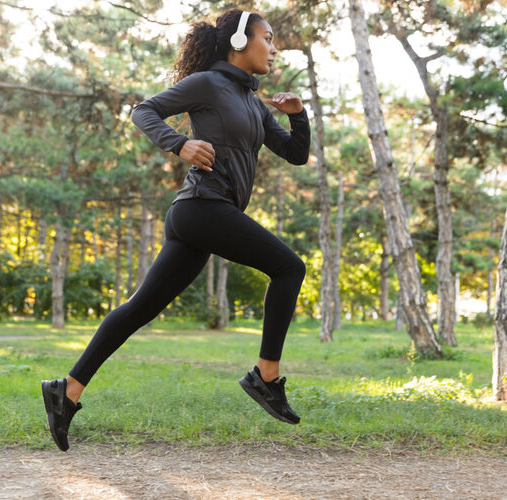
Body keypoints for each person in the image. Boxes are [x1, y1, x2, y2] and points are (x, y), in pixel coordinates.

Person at [41, 8, 311, 452]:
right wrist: (179, 143)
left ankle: (66, 390)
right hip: (202, 207)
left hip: (201, 216)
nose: (275, 48)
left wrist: (298, 116)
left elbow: (295, 154)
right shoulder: (207, 83)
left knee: (139, 308)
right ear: (239, 41)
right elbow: (143, 110)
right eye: (267, 38)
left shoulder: (253, 103)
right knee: (289, 268)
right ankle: (265, 376)